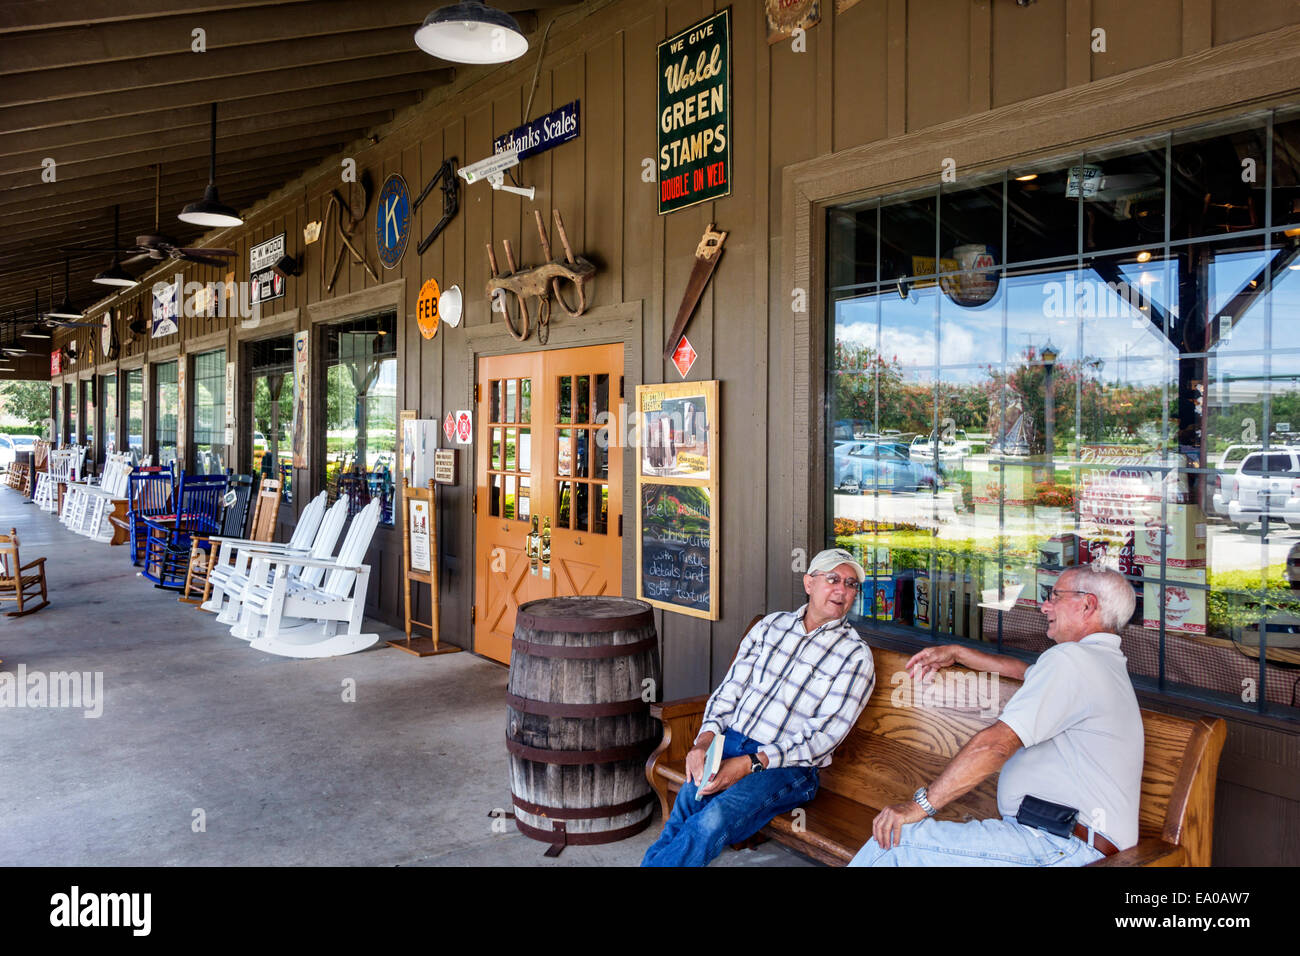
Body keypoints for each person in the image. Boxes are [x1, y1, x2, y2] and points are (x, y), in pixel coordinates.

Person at [849, 564, 1142, 866]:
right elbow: (1023, 671)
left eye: (1054, 596)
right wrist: (958, 653)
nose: (1045, 606)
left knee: (898, 842)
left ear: (1087, 604)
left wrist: (919, 806)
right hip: (1060, 842)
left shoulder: (1073, 660)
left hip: (1063, 848)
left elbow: (995, 746)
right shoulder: (1098, 662)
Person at [641, 548, 876, 867]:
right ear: (809, 583)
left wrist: (746, 764)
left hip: (789, 767)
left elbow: (821, 738)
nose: (843, 590)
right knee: (684, 809)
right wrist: (704, 742)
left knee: (711, 821)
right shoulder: (770, 627)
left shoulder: (855, 656)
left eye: (851, 585)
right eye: (833, 579)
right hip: (730, 742)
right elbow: (730, 690)